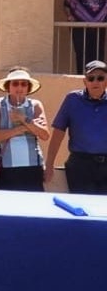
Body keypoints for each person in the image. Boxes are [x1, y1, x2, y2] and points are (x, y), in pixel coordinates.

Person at [45, 60, 107, 193]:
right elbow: (58, 133)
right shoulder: (72, 99)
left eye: (100, 78)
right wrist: (49, 164)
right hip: (81, 165)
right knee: (84, 207)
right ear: (85, 82)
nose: (95, 82)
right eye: (91, 78)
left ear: (106, 81)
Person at [0, 67, 48, 192]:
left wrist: (23, 118)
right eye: (15, 83)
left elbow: (44, 134)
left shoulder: (35, 105)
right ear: (8, 86)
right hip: (6, 167)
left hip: (33, 166)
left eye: (24, 84)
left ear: (28, 87)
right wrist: (24, 128)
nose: (19, 88)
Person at [64, 0, 106, 69]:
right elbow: (67, 4)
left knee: (98, 56)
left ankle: (98, 80)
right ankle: (82, 79)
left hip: (99, 28)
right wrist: (69, 16)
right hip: (80, 28)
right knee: (81, 56)